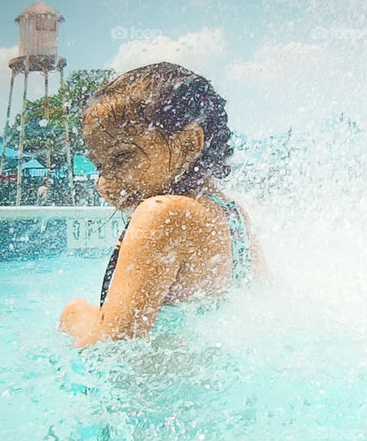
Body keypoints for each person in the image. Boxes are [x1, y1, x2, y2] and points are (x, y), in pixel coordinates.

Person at [58, 62, 263, 347]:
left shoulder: (161, 213)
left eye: (121, 158)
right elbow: (259, 299)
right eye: (100, 166)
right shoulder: (234, 214)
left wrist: (75, 315)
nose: (101, 184)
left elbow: (114, 341)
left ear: (189, 144)